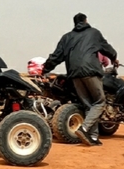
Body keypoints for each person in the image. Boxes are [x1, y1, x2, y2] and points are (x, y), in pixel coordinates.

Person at [41, 13, 118, 146]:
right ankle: (84, 128)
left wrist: (45, 69)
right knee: (100, 102)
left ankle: (93, 137)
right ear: (86, 21)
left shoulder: (67, 37)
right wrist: (114, 58)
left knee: (88, 105)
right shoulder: (94, 33)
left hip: (74, 74)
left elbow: (57, 56)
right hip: (91, 71)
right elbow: (107, 48)